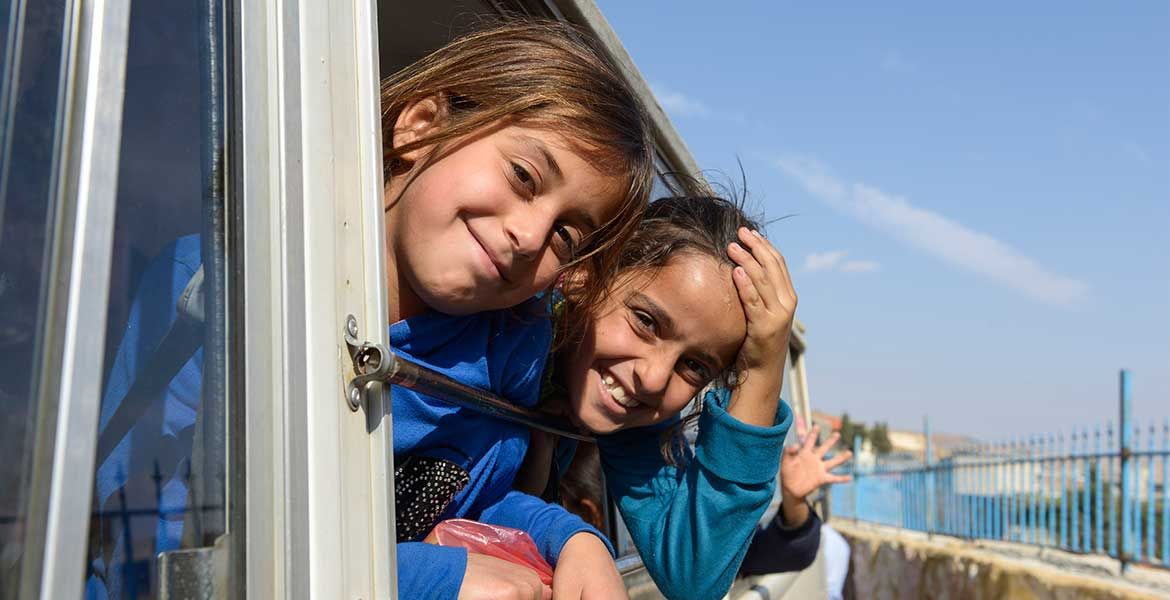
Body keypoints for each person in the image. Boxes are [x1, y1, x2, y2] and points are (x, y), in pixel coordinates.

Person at [88, 19, 655, 600]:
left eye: (566, 235)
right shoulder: (215, 292)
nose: (531, 236)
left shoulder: (504, 354)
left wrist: (571, 537)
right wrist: (425, 581)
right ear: (420, 127)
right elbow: (162, 553)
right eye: (523, 176)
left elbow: (474, 502)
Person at [516, 194, 802, 600]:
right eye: (646, 322)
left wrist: (761, 370)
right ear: (587, 275)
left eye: (695, 367)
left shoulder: (630, 420)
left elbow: (695, 579)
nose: (652, 379)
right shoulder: (500, 325)